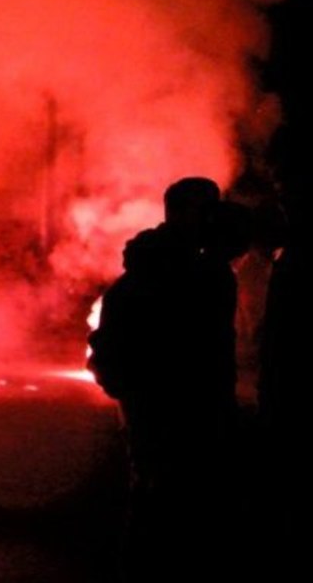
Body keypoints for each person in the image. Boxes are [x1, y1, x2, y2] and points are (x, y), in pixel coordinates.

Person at [88, 177, 241, 581]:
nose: (212, 217)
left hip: (199, 422)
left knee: (177, 530)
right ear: (180, 213)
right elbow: (109, 356)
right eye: (204, 208)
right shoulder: (156, 276)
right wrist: (145, 401)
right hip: (166, 426)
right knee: (159, 526)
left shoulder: (206, 270)